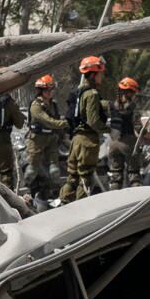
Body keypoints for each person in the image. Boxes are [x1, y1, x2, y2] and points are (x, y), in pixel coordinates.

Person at [61, 56, 107, 202]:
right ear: (93, 74)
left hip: (76, 140)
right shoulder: (92, 94)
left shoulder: (79, 91)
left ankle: (64, 205)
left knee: (72, 179)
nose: (102, 77)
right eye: (100, 74)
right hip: (87, 141)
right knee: (85, 180)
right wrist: (108, 129)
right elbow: (93, 120)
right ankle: (80, 211)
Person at [25, 74, 68, 202]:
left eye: (51, 90)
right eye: (47, 90)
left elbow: (56, 119)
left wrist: (62, 133)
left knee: (55, 169)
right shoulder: (36, 105)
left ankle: (55, 194)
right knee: (32, 170)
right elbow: (47, 120)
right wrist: (64, 123)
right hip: (37, 140)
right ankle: (26, 192)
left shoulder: (53, 105)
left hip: (51, 139)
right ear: (41, 90)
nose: (49, 92)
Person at [105, 76, 142, 189]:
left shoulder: (111, 105)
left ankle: (114, 200)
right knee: (133, 175)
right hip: (128, 143)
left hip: (113, 144)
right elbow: (138, 127)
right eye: (134, 92)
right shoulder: (133, 107)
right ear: (130, 92)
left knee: (116, 176)